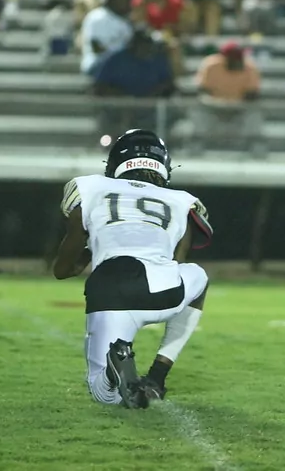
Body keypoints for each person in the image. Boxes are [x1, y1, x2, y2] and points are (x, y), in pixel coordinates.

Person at [52, 129, 213, 409]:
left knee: (105, 395)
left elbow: (67, 262)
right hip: (163, 291)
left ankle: (117, 363)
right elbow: (177, 260)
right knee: (198, 275)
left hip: (109, 289)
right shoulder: (183, 201)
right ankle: (157, 377)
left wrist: (77, 259)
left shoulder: (88, 186)